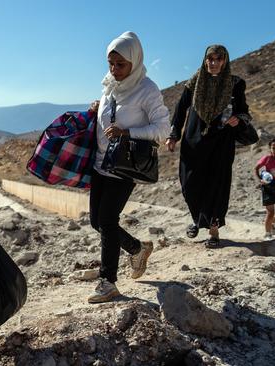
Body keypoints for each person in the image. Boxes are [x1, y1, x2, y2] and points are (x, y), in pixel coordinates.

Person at [87, 32, 171, 304]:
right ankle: (137, 249)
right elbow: (109, 116)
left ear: (134, 61)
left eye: (120, 64)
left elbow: (163, 129)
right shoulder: (110, 85)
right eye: (110, 63)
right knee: (96, 222)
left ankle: (108, 282)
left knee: (108, 221)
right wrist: (97, 108)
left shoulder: (147, 89)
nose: (114, 69)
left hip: (124, 167)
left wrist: (128, 132)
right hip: (100, 163)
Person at [166, 45, 253, 248]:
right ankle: (198, 219)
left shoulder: (235, 83)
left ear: (225, 61)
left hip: (221, 140)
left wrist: (238, 119)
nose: (214, 63)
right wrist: (174, 134)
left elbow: (244, 112)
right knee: (189, 182)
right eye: (210, 59)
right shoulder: (195, 81)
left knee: (217, 182)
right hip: (193, 138)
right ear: (205, 60)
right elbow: (181, 109)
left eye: (218, 59)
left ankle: (213, 229)